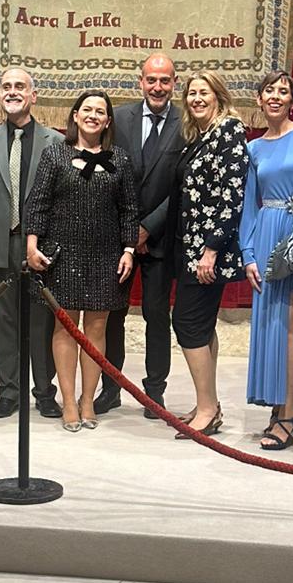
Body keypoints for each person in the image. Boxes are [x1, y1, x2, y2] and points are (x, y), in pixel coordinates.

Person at [25, 92, 138, 432]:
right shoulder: (55, 154)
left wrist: (128, 250)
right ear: (75, 116)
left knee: (97, 329)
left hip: (106, 256)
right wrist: (32, 245)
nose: (92, 116)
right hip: (64, 254)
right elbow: (38, 202)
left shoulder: (120, 159)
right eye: (86, 109)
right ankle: (69, 402)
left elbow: (129, 209)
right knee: (65, 327)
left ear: (107, 121)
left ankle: (88, 400)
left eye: (100, 111)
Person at [240, 71, 293, 449]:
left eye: (283, 91)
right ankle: (278, 406)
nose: (275, 96)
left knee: (292, 324)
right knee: (272, 326)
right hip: (265, 234)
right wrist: (247, 252)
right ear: (259, 99)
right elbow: (249, 204)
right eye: (269, 91)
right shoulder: (254, 148)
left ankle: (289, 416)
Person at [96, 53, 182, 417]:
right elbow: (106, 173)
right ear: (141, 82)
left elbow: (182, 186)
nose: (157, 87)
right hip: (119, 239)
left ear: (174, 83)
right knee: (112, 316)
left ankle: (154, 394)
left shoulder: (186, 122)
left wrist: (148, 228)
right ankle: (110, 388)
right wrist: (130, 231)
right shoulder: (120, 118)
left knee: (156, 316)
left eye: (164, 80)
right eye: (151, 80)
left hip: (161, 238)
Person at [170, 72, 250, 438]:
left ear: (218, 96)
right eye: (191, 93)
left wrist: (212, 250)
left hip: (207, 252)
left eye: (204, 92)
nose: (197, 99)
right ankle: (208, 403)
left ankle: (207, 408)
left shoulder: (228, 131)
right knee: (201, 325)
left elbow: (232, 196)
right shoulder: (199, 137)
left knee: (187, 323)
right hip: (191, 248)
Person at [0, 66, 62, 420]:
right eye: (6, 86)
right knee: (2, 324)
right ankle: (9, 392)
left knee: (41, 323)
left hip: (39, 247)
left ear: (33, 95)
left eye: (19, 86)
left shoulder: (54, 141)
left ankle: (44, 392)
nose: (12, 92)